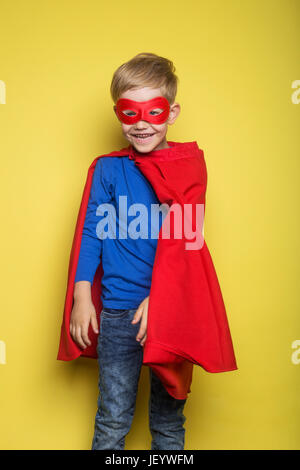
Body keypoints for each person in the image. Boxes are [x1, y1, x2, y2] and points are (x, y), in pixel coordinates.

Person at [71, 52, 188, 450]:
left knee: (169, 421)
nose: (140, 123)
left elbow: (188, 246)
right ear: (117, 112)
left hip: (171, 315)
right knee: (112, 419)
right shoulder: (108, 169)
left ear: (171, 113)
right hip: (118, 312)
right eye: (128, 111)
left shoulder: (185, 169)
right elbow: (91, 233)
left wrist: (163, 300)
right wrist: (82, 294)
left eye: (152, 111)